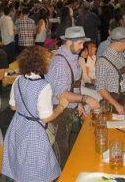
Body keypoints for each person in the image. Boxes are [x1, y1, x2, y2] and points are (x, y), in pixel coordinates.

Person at [2, 46, 70, 182]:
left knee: (21, 166)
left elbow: (13, 106)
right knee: (39, 171)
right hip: (34, 131)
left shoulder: (18, 80)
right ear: (41, 64)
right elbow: (46, 118)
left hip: (18, 126)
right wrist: (62, 106)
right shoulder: (44, 86)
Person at [46, 27, 99, 168]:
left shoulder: (72, 57)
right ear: (69, 41)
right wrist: (85, 99)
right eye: (80, 43)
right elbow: (61, 93)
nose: (82, 47)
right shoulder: (60, 63)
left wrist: (78, 105)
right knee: (60, 152)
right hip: (57, 112)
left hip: (66, 111)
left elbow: (74, 84)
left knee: (65, 147)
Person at [96, 27, 125, 114]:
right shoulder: (102, 61)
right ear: (118, 43)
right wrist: (116, 105)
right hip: (114, 103)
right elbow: (100, 88)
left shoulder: (121, 55)